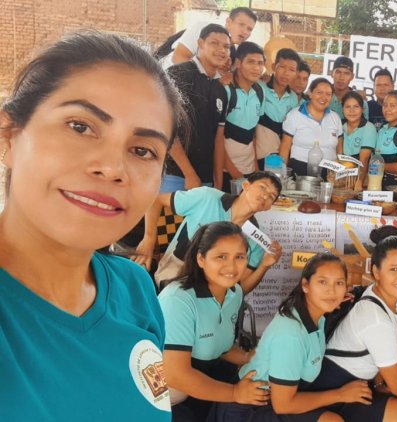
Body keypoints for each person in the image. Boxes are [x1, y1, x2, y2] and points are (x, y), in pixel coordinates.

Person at [0, 31, 186, 420]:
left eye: (142, 150)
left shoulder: (134, 290)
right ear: (9, 136)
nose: (113, 168)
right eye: (80, 127)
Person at [216, 253, 372, 422]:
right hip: (250, 410)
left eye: (339, 283)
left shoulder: (313, 312)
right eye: (322, 282)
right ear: (305, 285)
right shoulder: (292, 334)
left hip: (274, 399)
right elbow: (283, 405)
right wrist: (341, 394)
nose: (331, 290)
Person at [160, 222, 270, 421]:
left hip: (206, 378)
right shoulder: (178, 300)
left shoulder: (234, 293)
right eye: (221, 257)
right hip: (169, 395)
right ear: (201, 259)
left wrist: (248, 358)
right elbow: (175, 374)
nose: (231, 266)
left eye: (239, 257)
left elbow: (220, 346)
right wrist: (236, 393)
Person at [313, 230, 397, 420]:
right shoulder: (376, 319)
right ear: (376, 272)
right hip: (337, 395)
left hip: (359, 386)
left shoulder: (384, 295)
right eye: (394, 269)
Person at [134, 171, 282, 294]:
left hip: (217, 290)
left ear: (268, 207)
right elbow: (156, 201)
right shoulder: (207, 197)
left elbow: (240, 289)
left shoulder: (256, 239)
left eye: (271, 196)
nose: (265, 196)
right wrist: (148, 240)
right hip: (177, 274)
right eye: (263, 187)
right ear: (245, 186)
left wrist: (265, 265)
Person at [163, 24, 231, 193]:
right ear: (200, 43)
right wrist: (189, 174)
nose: (221, 50)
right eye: (214, 43)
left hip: (205, 181)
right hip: (174, 176)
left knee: (203, 221)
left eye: (226, 46)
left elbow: (218, 139)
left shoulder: (220, 90)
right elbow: (167, 129)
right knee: (170, 221)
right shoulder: (178, 75)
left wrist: (218, 182)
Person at [215, 41, 267, 191]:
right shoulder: (225, 89)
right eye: (251, 62)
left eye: (260, 63)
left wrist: (255, 170)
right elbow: (216, 138)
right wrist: (234, 173)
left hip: (248, 172)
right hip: (226, 173)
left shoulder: (259, 92)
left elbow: (252, 135)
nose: (257, 68)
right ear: (238, 63)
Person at [280, 78, 343, 177]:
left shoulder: (335, 117)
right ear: (310, 93)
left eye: (328, 94)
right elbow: (285, 148)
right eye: (319, 92)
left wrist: (338, 173)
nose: (323, 97)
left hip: (329, 174)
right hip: (300, 171)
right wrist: (282, 176)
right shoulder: (294, 115)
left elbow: (339, 149)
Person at [160, 7, 257, 70]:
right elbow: (179, 57)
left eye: (249, 29)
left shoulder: (233, 55)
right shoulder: (202, 28)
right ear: (228, 22)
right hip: (165, 81)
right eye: (241, 24)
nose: (245, 31)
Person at [256, 48, 302, 170]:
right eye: (282, 67)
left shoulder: (293, 98)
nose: (286, 73)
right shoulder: (259, 88)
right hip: (257, 155)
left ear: (296, 73)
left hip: (279, 157)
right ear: (273, 66)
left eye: (291, 70)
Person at [368, 91, 397, 187]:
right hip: (378, 184)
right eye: (385, 105)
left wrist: (377, 166)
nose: (387, 109)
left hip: (396, 188)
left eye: (392, 106)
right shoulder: (382, 129)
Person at [340, 91, 377, 189]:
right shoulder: (339, 126)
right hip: (342, 177)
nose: (351, 111)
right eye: (347, 107)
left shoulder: (369, 128)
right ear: (342, 109)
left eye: (356, 107)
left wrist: (359, 181)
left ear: (362, 109)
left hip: (361, 178)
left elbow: (363, 160)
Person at [329, 56, 370, 121]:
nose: (341, 77)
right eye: (338, 72)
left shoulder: (360, 101)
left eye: (346, 73)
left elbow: (364, 128)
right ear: (331, 73)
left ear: (352, 76)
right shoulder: (322, 97)